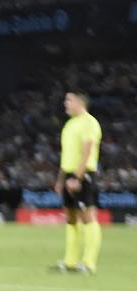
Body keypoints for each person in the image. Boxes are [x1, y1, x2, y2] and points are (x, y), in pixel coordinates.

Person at [51, 91, 103, 274]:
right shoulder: (69, 124)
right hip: (68, 173)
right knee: (71, 218)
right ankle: (70, 261)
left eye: (69, 100)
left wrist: (77, 177)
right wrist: (60, 180)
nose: (65, 103)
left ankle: (89, 263)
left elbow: (87, 151)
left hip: (83, 174)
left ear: (80, 102)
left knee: (87, 216)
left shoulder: (89, 122)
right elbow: (67, 155)